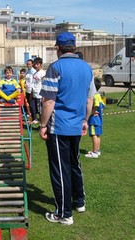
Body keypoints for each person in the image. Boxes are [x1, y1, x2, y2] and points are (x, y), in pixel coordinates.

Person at [39, 32, 96, 225]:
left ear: (58, 48)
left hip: (59, 127)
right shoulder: (86, 68)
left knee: (60, 169)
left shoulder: (55, 68)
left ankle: (63, 213)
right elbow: (90, 100)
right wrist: (85, 120)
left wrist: (43, 125)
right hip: (76, 125)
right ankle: (79, 202)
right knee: (74, 164)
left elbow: (48, 102)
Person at [85, 78, 105, 158]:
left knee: (94, 135)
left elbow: (96, 105)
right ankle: (97, 150)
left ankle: (94, 152)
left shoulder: (95, 95)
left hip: (94, 120)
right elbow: (103, 105)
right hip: (99, 120)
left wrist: (92, 112)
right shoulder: (99, 96)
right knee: (98, 135)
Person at [29, 57, 45, 124]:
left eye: (37, 64)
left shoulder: (43, 73)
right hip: (34, 94)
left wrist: (43, 96)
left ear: (40, 64)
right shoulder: (35, 73)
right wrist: (31, 93)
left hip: (39, 95)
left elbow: (44, 85)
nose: (35, 66)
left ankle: (42, 124)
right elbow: (33, 84)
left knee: (40, 110)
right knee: (32, 107)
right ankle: (35, 119)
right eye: (34, 64)